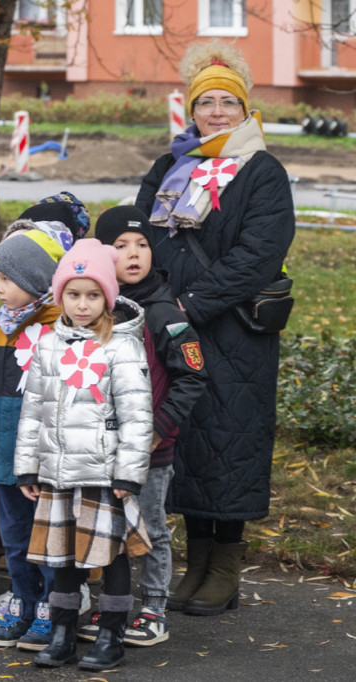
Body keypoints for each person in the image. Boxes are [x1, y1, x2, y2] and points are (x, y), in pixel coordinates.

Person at [135, 41, 295, 616]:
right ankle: (196, 560)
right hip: (179, 328)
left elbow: (259, 254)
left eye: (229, 102)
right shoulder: (171, 166)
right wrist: (163, 302)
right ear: (192, 109)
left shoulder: (263, 172)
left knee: (231, 441)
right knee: (189, 441)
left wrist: (189, 303)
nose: (218, 112)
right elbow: (146, 235)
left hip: (236, 334)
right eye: (208, 103)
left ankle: (225, 565)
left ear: (246, 109)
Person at [15, 238, 153, 671]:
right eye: (73, 294)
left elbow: (137, 415)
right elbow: (33, 409)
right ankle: (62, 630)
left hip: (103, 474)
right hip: (57, 472)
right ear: (60, 297)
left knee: (109, 556)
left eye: (93, 295)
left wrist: (128, 475)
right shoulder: (48, 346)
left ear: (107, 298)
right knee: (63, 557)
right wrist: (26, 466)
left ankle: (111, 634)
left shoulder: (122, 346)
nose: (82, 304)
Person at [84, 206, 208, 647]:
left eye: (142, 245)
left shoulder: (163, 312)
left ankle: (154, 606)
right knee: (106, 529)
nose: (133, 254)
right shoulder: (95, 307)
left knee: (150, 526)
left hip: (150, 451)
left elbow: (192, 375)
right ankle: (112, 604)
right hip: (101, 448)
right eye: (120, 247)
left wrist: (159, 427)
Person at [0, 230, 64, 650]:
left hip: (41, 462)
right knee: (16, 541)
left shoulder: (58, 331)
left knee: (49, 542)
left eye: (7, 280)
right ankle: (23, 605)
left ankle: (51, 612)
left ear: (36, 281)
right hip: (4, 458)